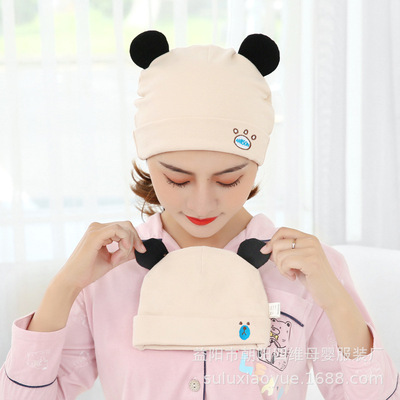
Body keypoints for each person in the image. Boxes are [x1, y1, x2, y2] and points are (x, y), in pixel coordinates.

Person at [0, 30, 398, 400]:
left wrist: (336, 301)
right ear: (150, 163)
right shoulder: (108, 271)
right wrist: (65, 287)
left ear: (255, 165)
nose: (202, 205)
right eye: (177, 179)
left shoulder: (310, 270)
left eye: (228, 180)